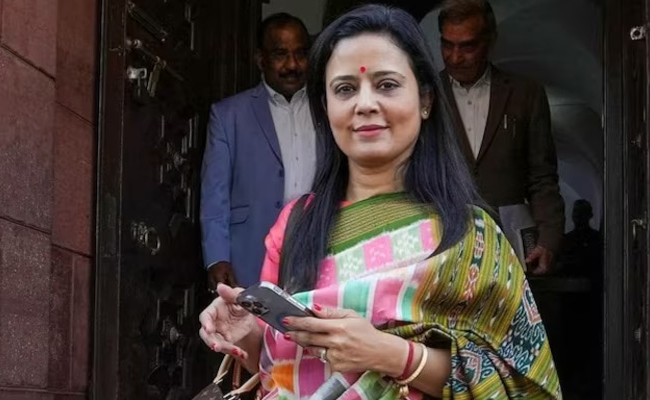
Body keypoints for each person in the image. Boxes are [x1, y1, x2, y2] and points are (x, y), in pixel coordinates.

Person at [199, 5, 561, 399]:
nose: (365, 104)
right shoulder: (295, 224)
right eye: (345, 89)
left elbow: (519, 382)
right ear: (325, 107)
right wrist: (248, 336)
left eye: (387, 85)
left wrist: (389, 354)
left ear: (425, 100)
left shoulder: (470, 236)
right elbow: (280, 369)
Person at [438, 0, 565, 274]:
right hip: (442, 243)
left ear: (490, 41)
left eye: (467, 46)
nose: (455, 57)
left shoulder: (525, 95)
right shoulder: (423, 95)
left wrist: (548, 240)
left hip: (510, 247)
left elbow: (542, 177)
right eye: (447, 45)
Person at [200, 13, 316, 288]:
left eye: (300, 54)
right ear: (260, 59)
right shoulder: (228, 115)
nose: (292, 65)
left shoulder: (328, 108)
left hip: (316, 250)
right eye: (280, 54)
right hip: (251, 252)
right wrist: (217, 258)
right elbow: (215, 193)